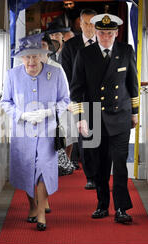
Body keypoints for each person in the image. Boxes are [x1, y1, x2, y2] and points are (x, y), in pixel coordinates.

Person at [69, 14, 139, 224]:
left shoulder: (126, 51)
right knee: (99, 165)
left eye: (110, 33)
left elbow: (132, 84)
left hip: (120, 115)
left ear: (116, 33)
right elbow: (76, 89)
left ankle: (121, 208)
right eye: (101, 33)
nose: (106, 36)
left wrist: (135, 113)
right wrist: (80, 117)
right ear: (95, 33)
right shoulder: (84, 54)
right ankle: (102, 205)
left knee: (119, 163)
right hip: (92, 116)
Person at [1, 34, 70, 231]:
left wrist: (50, 111)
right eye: (27, 57)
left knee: (43, 171)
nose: (31, 61)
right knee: (27, 170)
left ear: (42, 55)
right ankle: (32, 205)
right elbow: (6, 102)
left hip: (47, 132)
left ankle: (41, 212)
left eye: (35, 56)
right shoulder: (12, 75)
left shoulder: (55, 74)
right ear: (21, 58)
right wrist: (21, 115)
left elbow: (65, 99)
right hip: (23, 132)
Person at [61, 8, 98, 190]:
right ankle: (91, 176)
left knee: (103, 139)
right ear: (80, 25)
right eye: (86, 24)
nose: (90, 28)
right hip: (81, 100)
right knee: (87, 138)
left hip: (105, 100)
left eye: (93, 24)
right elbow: (66, 76)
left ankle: (101, 172)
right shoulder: (70, 46)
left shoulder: (107, 42)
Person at [40, 33, 76, 178]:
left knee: (68, 125)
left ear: (48, 48)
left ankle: (64, 161)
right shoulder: (28, 67)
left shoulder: (57, 68)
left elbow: (65, 92)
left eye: (43, 46)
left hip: (56, 107)